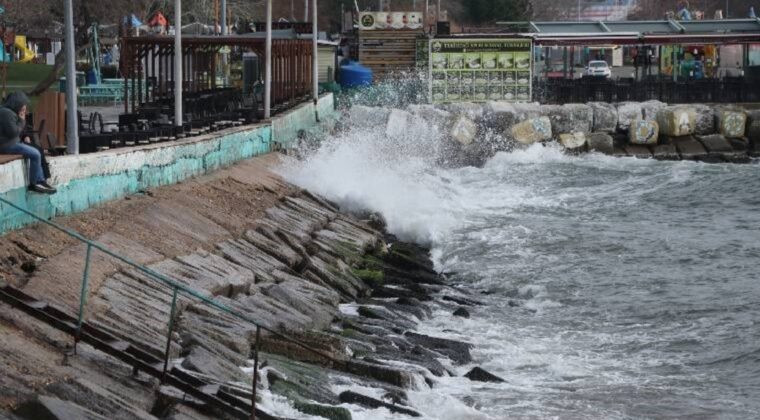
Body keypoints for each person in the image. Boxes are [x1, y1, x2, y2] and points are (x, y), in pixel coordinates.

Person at [0, 92, 56, 194]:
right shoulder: (6, 113)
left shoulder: (10, 112)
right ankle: (34, 183)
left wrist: (22, 124)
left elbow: (16, 131)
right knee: (35, 154)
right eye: (23, 104)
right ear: (17, 103)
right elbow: (13, 132)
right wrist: (21, 120)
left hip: (12, 143)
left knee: (36, 151)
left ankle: (40, 180)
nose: (24, 106)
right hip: (7, 146)